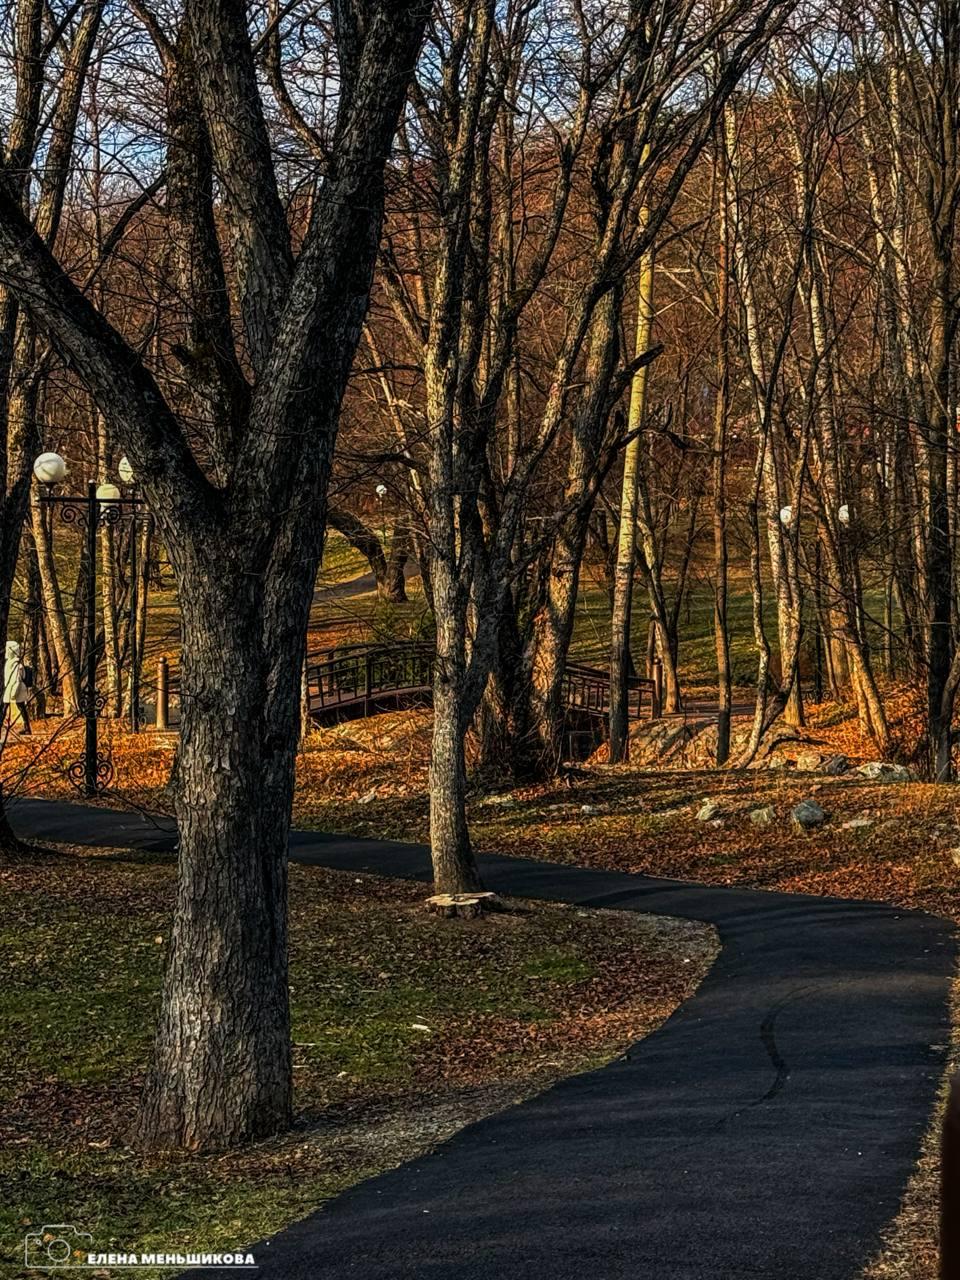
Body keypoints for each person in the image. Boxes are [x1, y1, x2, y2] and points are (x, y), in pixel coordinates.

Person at [3, 640, 31, 735]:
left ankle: (27, 728)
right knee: (14, 707)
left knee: (18, 707)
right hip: (10, 687)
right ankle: (27, 727)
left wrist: (14, 692)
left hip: (16, 688)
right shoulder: (9, 663)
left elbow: (17, 680)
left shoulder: (16, 664)